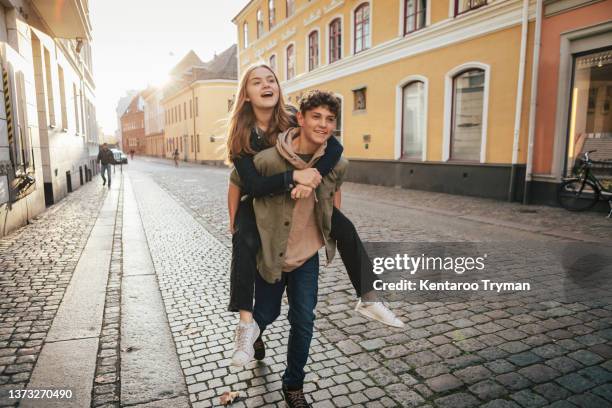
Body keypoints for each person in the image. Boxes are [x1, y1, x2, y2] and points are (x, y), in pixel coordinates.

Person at [225, 64, 403, 368]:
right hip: (256, 203)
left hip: (299, 205)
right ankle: (246, 325)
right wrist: (294, 178)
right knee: (243, 241)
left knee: (343, 227)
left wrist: (312, 178)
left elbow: (332, 146)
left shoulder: (292, 115)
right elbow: (246, 184)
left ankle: (369, 297)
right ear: (245, 95)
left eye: (271, 79)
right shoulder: (243, 135)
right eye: (257, 82)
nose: (266, 85)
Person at [231, 90, 347, 407]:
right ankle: (256, 336)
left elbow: (335, 190)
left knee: (304, 320)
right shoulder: (269, 155)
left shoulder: (333, 157)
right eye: (316, 117)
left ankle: (293, 384)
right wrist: (235, 225)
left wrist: (333, 225)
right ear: (300, 119)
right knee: (266, 313)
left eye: (330, 119)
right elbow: (237, 181)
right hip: (271, 254)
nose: (323, 124)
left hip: (305, 255)